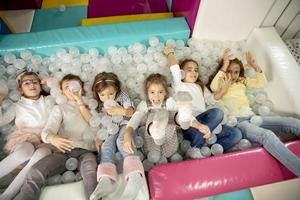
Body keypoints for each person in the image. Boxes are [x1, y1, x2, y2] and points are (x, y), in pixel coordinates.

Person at [210, 49, 300, 176]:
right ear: (224, 71)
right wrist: (224, 65)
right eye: (229, 71)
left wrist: (255, 66)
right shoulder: (220, 83)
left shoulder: (242, 82)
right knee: (267, 135)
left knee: (292, 122)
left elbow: (262, 83)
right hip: (238, 123)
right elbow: (213, 87)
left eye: (236, 72)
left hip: (252, 117)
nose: (233, 75)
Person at [15, 74, 97, 200]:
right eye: (67, 87)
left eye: (75, 86)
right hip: (64, 151)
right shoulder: (59, 109)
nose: (71, 90)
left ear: (82, 88)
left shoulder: (91, 107)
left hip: (86, 151)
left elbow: (97, 126)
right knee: (35, 172)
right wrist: (52, 138)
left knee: (90, 172)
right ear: (62, 92)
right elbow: (47, 131)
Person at [164, 47, 242, 151]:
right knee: (218, 113)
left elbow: (211, 99)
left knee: (236, 134)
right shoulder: (179, 85)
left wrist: (222, 91)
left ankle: (207, 151)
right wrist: (170, 53)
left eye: (196, 70)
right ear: (182, 73)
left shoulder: (200, 86)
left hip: (206, 124)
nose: (194, 72)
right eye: (189, 70)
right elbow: (174, 69)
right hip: (191, 124)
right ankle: (195, 148)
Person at [89, 72, 143, 200]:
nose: (107, 98)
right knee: (107, 145)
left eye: (111, 94)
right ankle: (106, 179)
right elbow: (100, 123)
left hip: (126, 123)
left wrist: (122, 111)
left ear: (117, 90)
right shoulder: (99, 104)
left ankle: (135, 176)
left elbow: (131, 112)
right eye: (102, 95)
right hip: (110, 128)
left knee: (121, 141)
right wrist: (98, 137)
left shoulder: (122, 95)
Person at [0, 71, 53, 200]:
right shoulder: (17, 106)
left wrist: (51, 81)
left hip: (47, 138)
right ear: (21, 90)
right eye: (26, 83)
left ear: (41, 86)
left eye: (35, 82)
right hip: (26, 137)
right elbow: (1, 122)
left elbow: (62, 90)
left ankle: (7, 196)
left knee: (40, 156)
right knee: (24, 152)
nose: (31, 85)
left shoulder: (48, 100)